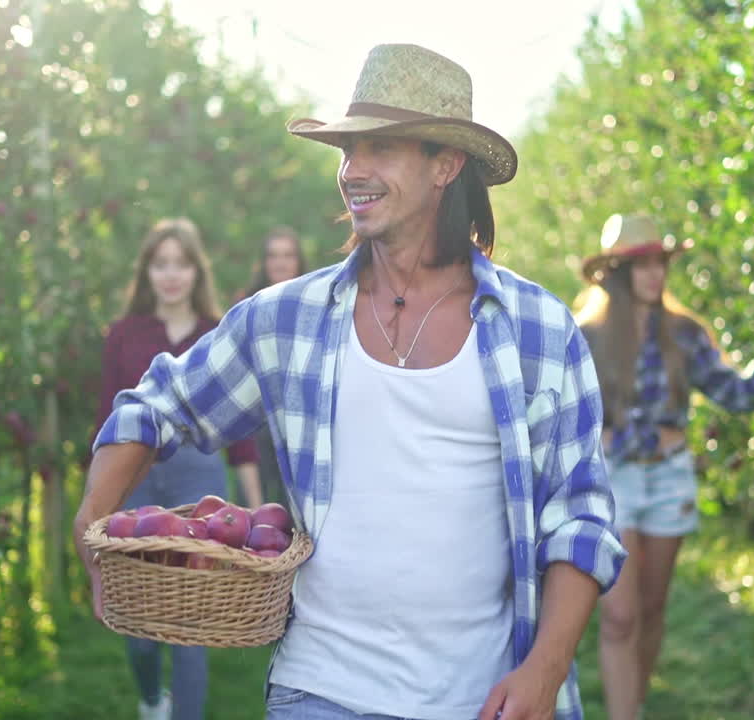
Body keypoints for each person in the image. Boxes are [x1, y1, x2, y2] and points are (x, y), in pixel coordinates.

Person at [76, 44, 626, 720]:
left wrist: (545, 670)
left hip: (480, 698)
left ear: (445, 166)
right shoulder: (286, 321)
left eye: (380, 149)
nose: (352, 172)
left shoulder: (538, 329)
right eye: (346, 151)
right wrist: (91, 524)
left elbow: (579, 519)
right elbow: (153, 406)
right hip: (321, 690)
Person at [573, 214, 754, 720]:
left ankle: (635, 704)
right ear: (617, 273)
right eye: (642, 265)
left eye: (660, 264)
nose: (655, 275)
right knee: (619, 616)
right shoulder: (586, 334)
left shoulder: (684, 333)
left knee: (651, 609)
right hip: (613, 480)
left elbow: (737, 393)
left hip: (668, 476)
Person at [92, 217, 263, 720]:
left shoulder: (219, 333)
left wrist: (254, 508)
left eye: (181, 264)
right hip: (138, 477)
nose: (171, 275)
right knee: (139, 620)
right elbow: (106, 423)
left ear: (196, 271)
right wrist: (97, 504)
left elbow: (242, 430)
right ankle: (151, 700)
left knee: (192, 621)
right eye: (161, 264)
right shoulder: (123, 335)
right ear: (147, 272)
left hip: (201, 480)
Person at [237, 226, 308, 506]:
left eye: (288, 255)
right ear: (264, 262)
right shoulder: (246, 305)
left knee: (298, 508)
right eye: (273, 255)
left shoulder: (313, 302)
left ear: (298, 261)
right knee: (256, 505)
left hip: (299, 417)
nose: (280, 262)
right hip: (256, 420)